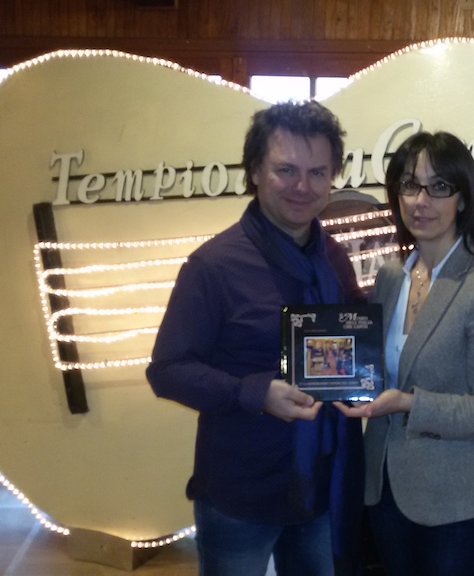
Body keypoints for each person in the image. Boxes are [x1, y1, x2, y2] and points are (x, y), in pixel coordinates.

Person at [146, 100, 365, 576]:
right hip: (242, 493)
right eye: (286, 170)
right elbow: (166, 371)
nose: (302, 186)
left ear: (332, 178)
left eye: (317, 172)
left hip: (322, 486)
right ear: (255, 172)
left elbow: (347, 345)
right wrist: (255, 392)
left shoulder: (335, 259)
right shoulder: (213, 266)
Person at [335, 131, 474, 576]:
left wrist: (409, 404)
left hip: (460, 499)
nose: (421, 201)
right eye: (410, 184)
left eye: (439, 186)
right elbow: (377, 371)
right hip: (387, 488)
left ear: (462, 200)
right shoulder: (390, 278)